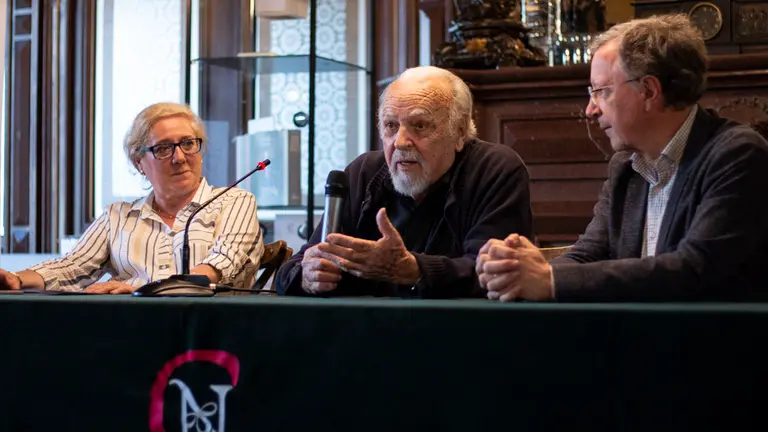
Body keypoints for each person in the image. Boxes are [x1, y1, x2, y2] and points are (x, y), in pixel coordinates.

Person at [477, 14, 768, 302]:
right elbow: (588, 254)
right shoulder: (625, 166)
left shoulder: (736, 154)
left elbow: (694, 268)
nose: (590, 110)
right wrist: (515, 272)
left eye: (601, 92)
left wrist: (549, 280)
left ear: (649, 90)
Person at [276, 66, 533, 298]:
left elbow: (497, 273)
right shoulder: (363, 173)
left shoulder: (494, 169)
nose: (400, 142)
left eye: (419, 125)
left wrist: (412, 270)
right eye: (390, 125)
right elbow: (294, 269)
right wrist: (307, 276)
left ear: (460, 132)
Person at [0, 102, 264, 293]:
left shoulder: (235, 201)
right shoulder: (117, 216)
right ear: (139, 162)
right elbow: (70, 268)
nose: (180, 157)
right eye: (163, 148)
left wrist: (140, 290)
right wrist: (15, 279)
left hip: (214, 337)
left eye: (188, 143)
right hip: (132, 334)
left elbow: (219, 264)